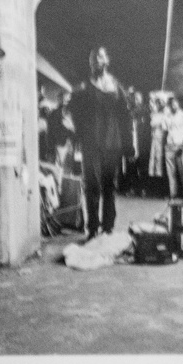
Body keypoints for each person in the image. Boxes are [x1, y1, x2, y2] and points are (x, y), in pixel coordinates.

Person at [68, 47, 134, 238]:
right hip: (92, 143)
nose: (96, 60)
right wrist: (79, 135)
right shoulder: (84, 88)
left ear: (107, 60)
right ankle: (93, 228)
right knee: (92, 185)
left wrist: (129, 145)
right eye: (93, 58)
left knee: (109, 186)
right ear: (90, 63)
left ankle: (108, 227)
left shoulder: (116, 87)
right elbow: (73, 113)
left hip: (112, 143)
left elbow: (126, 116)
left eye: (100, 56)